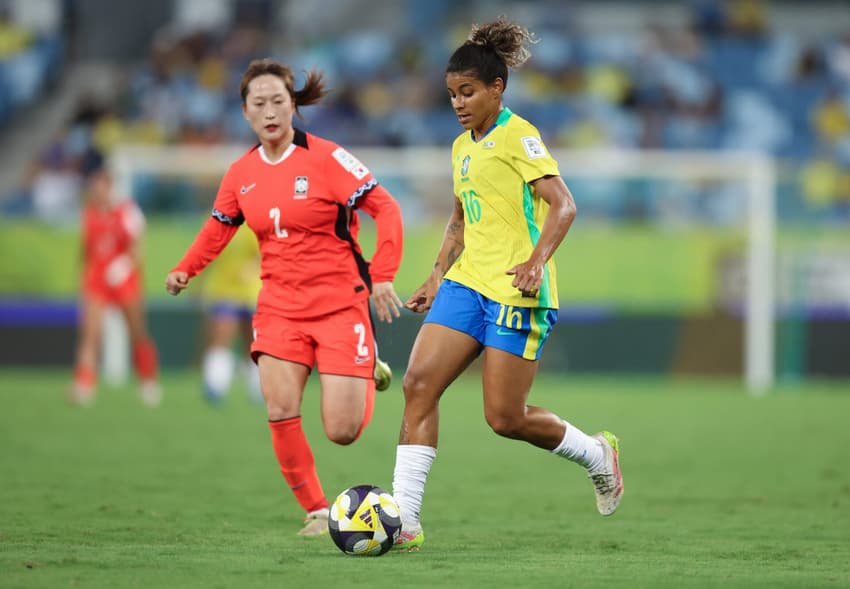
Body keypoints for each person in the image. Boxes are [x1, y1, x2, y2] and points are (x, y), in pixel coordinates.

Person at [390, 18, 624, 552]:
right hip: (467, 283)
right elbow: (458, 222)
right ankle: (404, 519)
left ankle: (596, 454)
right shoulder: (460, 147)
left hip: (517, 290)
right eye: (451, 93)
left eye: (468, 91)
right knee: (418, 385)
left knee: (505, 417)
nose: (458, 102)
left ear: (498, 88)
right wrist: (435, 276)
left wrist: (538, 260)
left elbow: (564, 205)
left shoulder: (519, 136)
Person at [164, 58, 405, 536]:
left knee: (342, 431)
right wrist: (185, 269)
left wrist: (383, 274)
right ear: (245, 112)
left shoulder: (328, 158)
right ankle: (316, 509)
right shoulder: (240, 173)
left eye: (279, 101)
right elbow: (219, 227)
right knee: (278, 408)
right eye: (260, 103)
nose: (270, 111)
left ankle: (365, 362)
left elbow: (386, 207)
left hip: (340, 302)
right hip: (278, 305)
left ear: (293, 106)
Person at [70, 150, 161, 407]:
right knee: (91, 332)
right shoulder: (88, 214)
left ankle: (148, 380)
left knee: (137, 331)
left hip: (125, 280)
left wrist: (122, 266)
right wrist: (82, 276)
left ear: (109, 186)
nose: (96, 190)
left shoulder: (127, 211)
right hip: (97, 279)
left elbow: (137, 247)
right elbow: (85, 250)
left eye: (100, 185)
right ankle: (84, 385)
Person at [198, 225, 264, 405]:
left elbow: (266, 252)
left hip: (252, 292)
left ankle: (257, 388)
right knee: (221, 337)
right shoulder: (215, 221)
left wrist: (251, 269)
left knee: (252, 343)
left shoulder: (254, 221)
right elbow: (205, 254)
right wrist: (199, 283)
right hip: (223, 291)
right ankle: (215, 386)